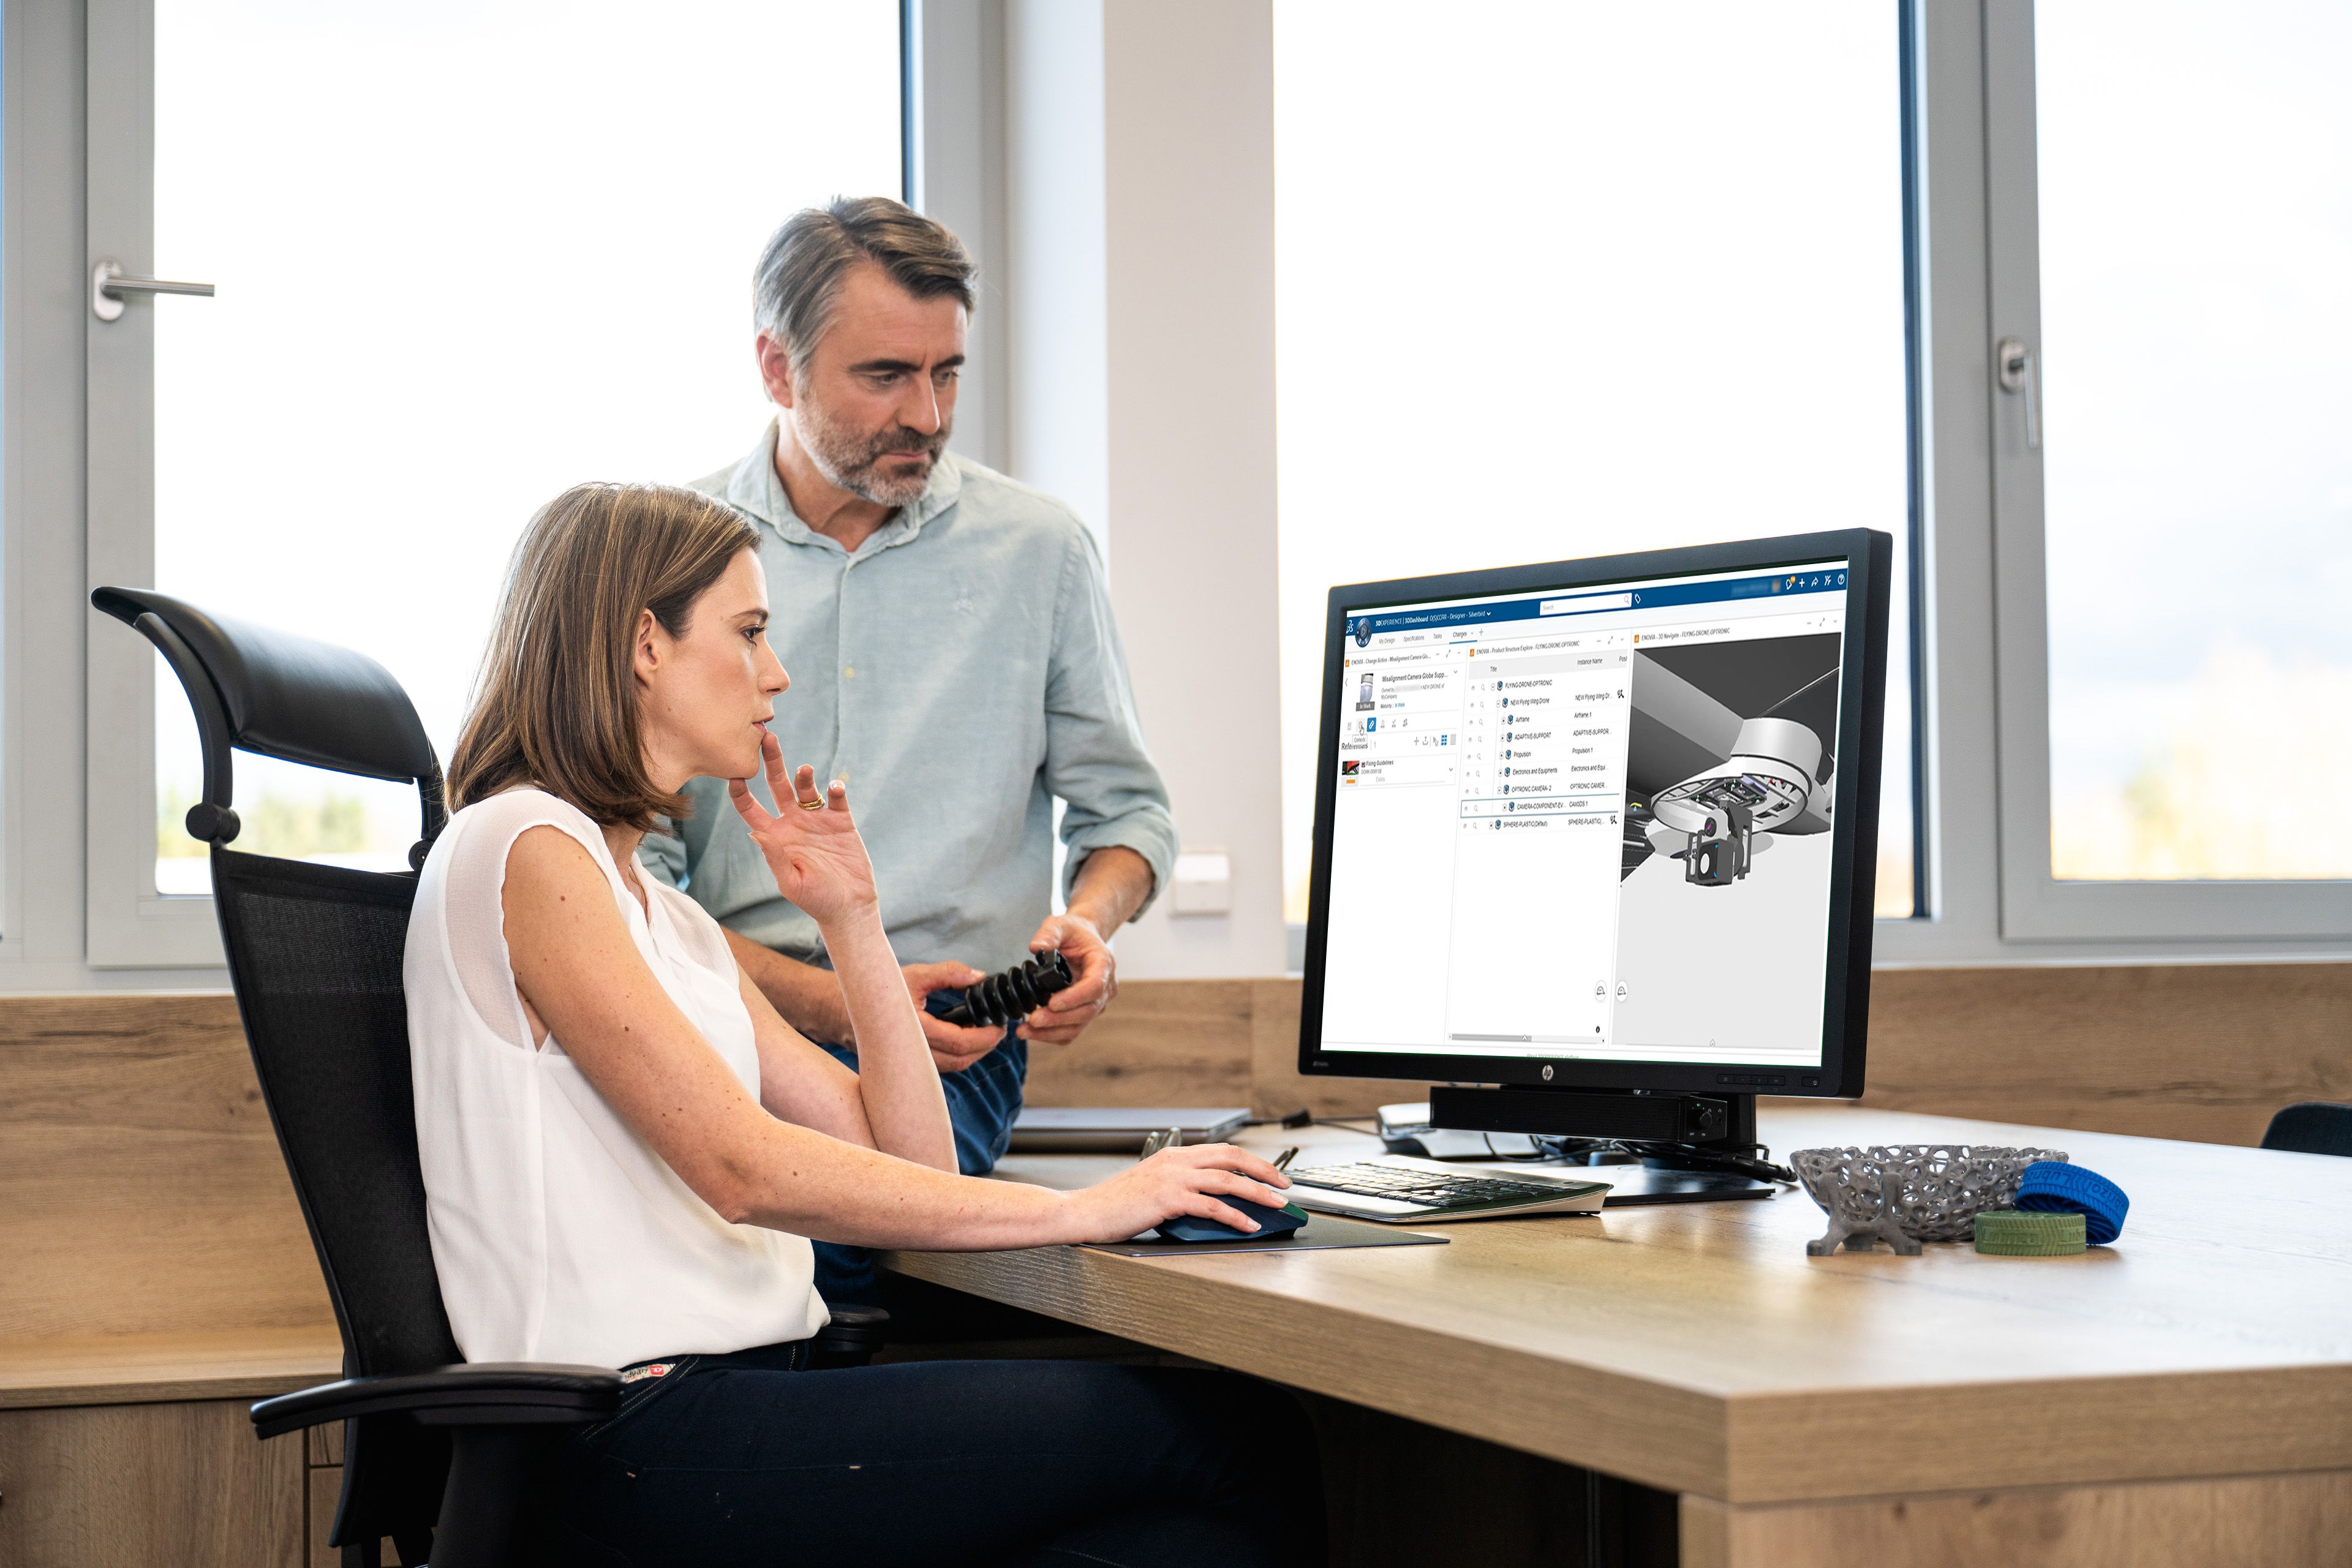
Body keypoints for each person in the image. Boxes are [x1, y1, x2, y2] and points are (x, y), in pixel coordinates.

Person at [407, 481, 1316, 1566]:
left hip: (736, 1405)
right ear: (647, 644)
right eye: (750, 632)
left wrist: (852, 922)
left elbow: (912, 1161)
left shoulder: (666, 916)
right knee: (1231, 1440)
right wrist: (1082, 1211)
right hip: (633, 1431)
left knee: (1187, 1540)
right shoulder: (524, 843)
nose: (776, 673)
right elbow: (740, 1167)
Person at [645, 200, 1172, 1306]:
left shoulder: (1041, 551)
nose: (925, 416)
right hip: (728, 1014)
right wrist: (832, 1002)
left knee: (815, 1245)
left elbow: (1127, 820)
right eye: (885, 376)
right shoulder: (671, 553)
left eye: (947, 375)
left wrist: (1089, 922)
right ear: (777, 368)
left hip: (956, 1044)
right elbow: (631, 886)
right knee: (706, 1235)